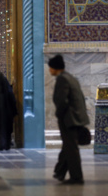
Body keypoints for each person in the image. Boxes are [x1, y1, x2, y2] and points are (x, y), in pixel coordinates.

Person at [49, 54, 89, 185]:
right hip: (76, 117)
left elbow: (62, 101)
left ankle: (77, 177)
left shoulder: (62, 79)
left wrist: (59, 114)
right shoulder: (71, 78)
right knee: (69, 146)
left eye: (50, 68)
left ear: (55, 68)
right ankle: (60, 172)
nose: (49, 70)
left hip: (70, 119)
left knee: (71, 149)